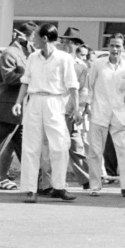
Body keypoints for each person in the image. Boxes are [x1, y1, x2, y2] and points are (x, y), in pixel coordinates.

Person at [12, 23, 80, 203]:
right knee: (30, 146)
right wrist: (19, 102)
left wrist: (77, 108)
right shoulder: (33, 57)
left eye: (35, 36)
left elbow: (72, 85)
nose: (32, 39)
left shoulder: (64, 58)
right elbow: (26, 81)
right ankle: (29, 189)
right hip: (34, 102)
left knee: (59, 146)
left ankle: (59, 187)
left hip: (55, 102)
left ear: (44, 38)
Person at [0, 23, 36, 191]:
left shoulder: (29, 53)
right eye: (33, 37)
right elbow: (9, 78)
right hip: (4, 111)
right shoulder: (9, 53)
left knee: (27, 150)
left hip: (22, 112)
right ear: (23, 37)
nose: (36, 41)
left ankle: (37, 185)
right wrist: (32, 76)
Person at [86, 33, 125, 197]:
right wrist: (87, 106)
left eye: (118, 46)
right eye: (112, 45)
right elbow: (90, 86)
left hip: (119, 112)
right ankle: (95, 185)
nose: (115, 49)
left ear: (124, 48)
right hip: (99, 111)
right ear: (108, 47)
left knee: (124, 150)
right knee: (95, 151)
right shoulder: (98, 64)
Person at [38, 28, 90, 191]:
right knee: (50, 147)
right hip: (53, 108)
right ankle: (47, 183)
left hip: (70, 111)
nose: (65, 44)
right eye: (63, 41)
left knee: (75, 145)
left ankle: (87, 178)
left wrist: (79, 109)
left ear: (76, 45)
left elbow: (83, 90)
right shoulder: (54, 60)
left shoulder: (81, 66)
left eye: (69, 42)